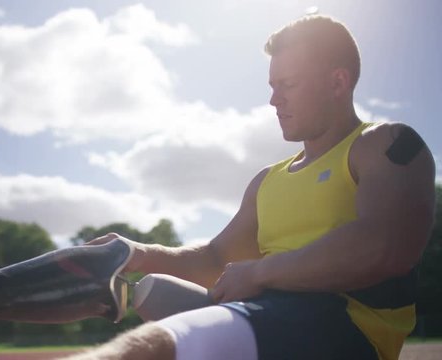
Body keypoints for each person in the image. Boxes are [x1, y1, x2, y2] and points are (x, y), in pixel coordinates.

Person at [61, 14, 436, 360]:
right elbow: (215, 259)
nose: (275, 100)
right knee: (153, 289)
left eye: (288, 85)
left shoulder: (383, 144)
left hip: (344, 330)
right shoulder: (267, 181)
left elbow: (384, 247)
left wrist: (259, 273)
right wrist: (136, 252)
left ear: (338, 81)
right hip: (268, 317)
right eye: (273, 86)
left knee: (155, 348)